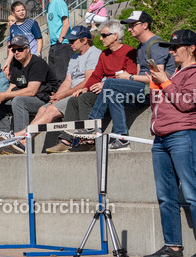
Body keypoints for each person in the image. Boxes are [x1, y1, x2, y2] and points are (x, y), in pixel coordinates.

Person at [85, 10, 176, 151]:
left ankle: (92, 125)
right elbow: (141, 75)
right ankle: (121, 139)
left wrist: (130, 77)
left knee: (109, 83)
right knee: (112, 94)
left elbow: (159, 78)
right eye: (128, 26)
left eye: (133, 25)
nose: (129, 29)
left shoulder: (157, 45)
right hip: (144, 90)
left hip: (157, 92)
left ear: (145, 25)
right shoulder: (141, 47)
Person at [143, 29, 196, 257]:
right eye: (170, 48)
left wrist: (164, 81)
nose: (171, 51)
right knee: (166, 196)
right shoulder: (174, 73)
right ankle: (173, 246)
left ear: (192, 48)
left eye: (176, 47)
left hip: (183, 134)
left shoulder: (193, 73)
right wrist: (158, 85)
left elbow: (186, 104)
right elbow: (163, 104)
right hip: (162, 137)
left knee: (193, 194)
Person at [47, 20, 139, 152]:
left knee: (84, 99)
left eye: (104, 35)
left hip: (117, 92)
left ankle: (90, 139)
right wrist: (85, 88)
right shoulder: (104, 54)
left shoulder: (129, 52)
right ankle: (65, 140)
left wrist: (106, 85)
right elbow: (96, 75)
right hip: (104, 90)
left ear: (115, 36)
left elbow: (131, 76)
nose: (101, 38)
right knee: (74, 99)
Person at [31, 26, 100, 150]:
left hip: (82, 93)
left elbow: (87, 82)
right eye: (69, 40)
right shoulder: (74, 57)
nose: (69, 44)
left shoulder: (94, 53)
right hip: (71, 93)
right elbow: (68, 81)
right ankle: (25, 141)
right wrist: (57, 96)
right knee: (43, 108)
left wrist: (62, 95)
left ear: (84, 40)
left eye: (73, 41)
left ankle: (20, 137)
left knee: (51, 109)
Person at [0, 35, 60, 154]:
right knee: (0, 103)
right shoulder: (15, 64)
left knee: (19, 100)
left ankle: (20, 143)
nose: (16, 52)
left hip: (45, 99)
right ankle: (3, 145)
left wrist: (5, 96)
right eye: (14, 50)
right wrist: (0, 97)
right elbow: (12, 87)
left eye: (20, 49)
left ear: (28, 49)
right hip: (29, 98)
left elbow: (32, 91)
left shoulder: (37, 63)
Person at [39, 0, 72, 84]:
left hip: (62, 43)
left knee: (61, 76)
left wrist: (60, 40)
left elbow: (66, 23)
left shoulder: (59, 2)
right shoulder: (48, 5)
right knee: (53, 76)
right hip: (54, 44)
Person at [3, 1, 44, 74]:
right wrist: (8, 62)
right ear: (13, 13)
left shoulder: (32, 23)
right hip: (20, 60)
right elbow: (13, 47)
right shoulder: (13, 27)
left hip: (32, 58)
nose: (21, 12)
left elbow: (39, 39)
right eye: (18, 11)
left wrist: (38, 54)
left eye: (23, 10)